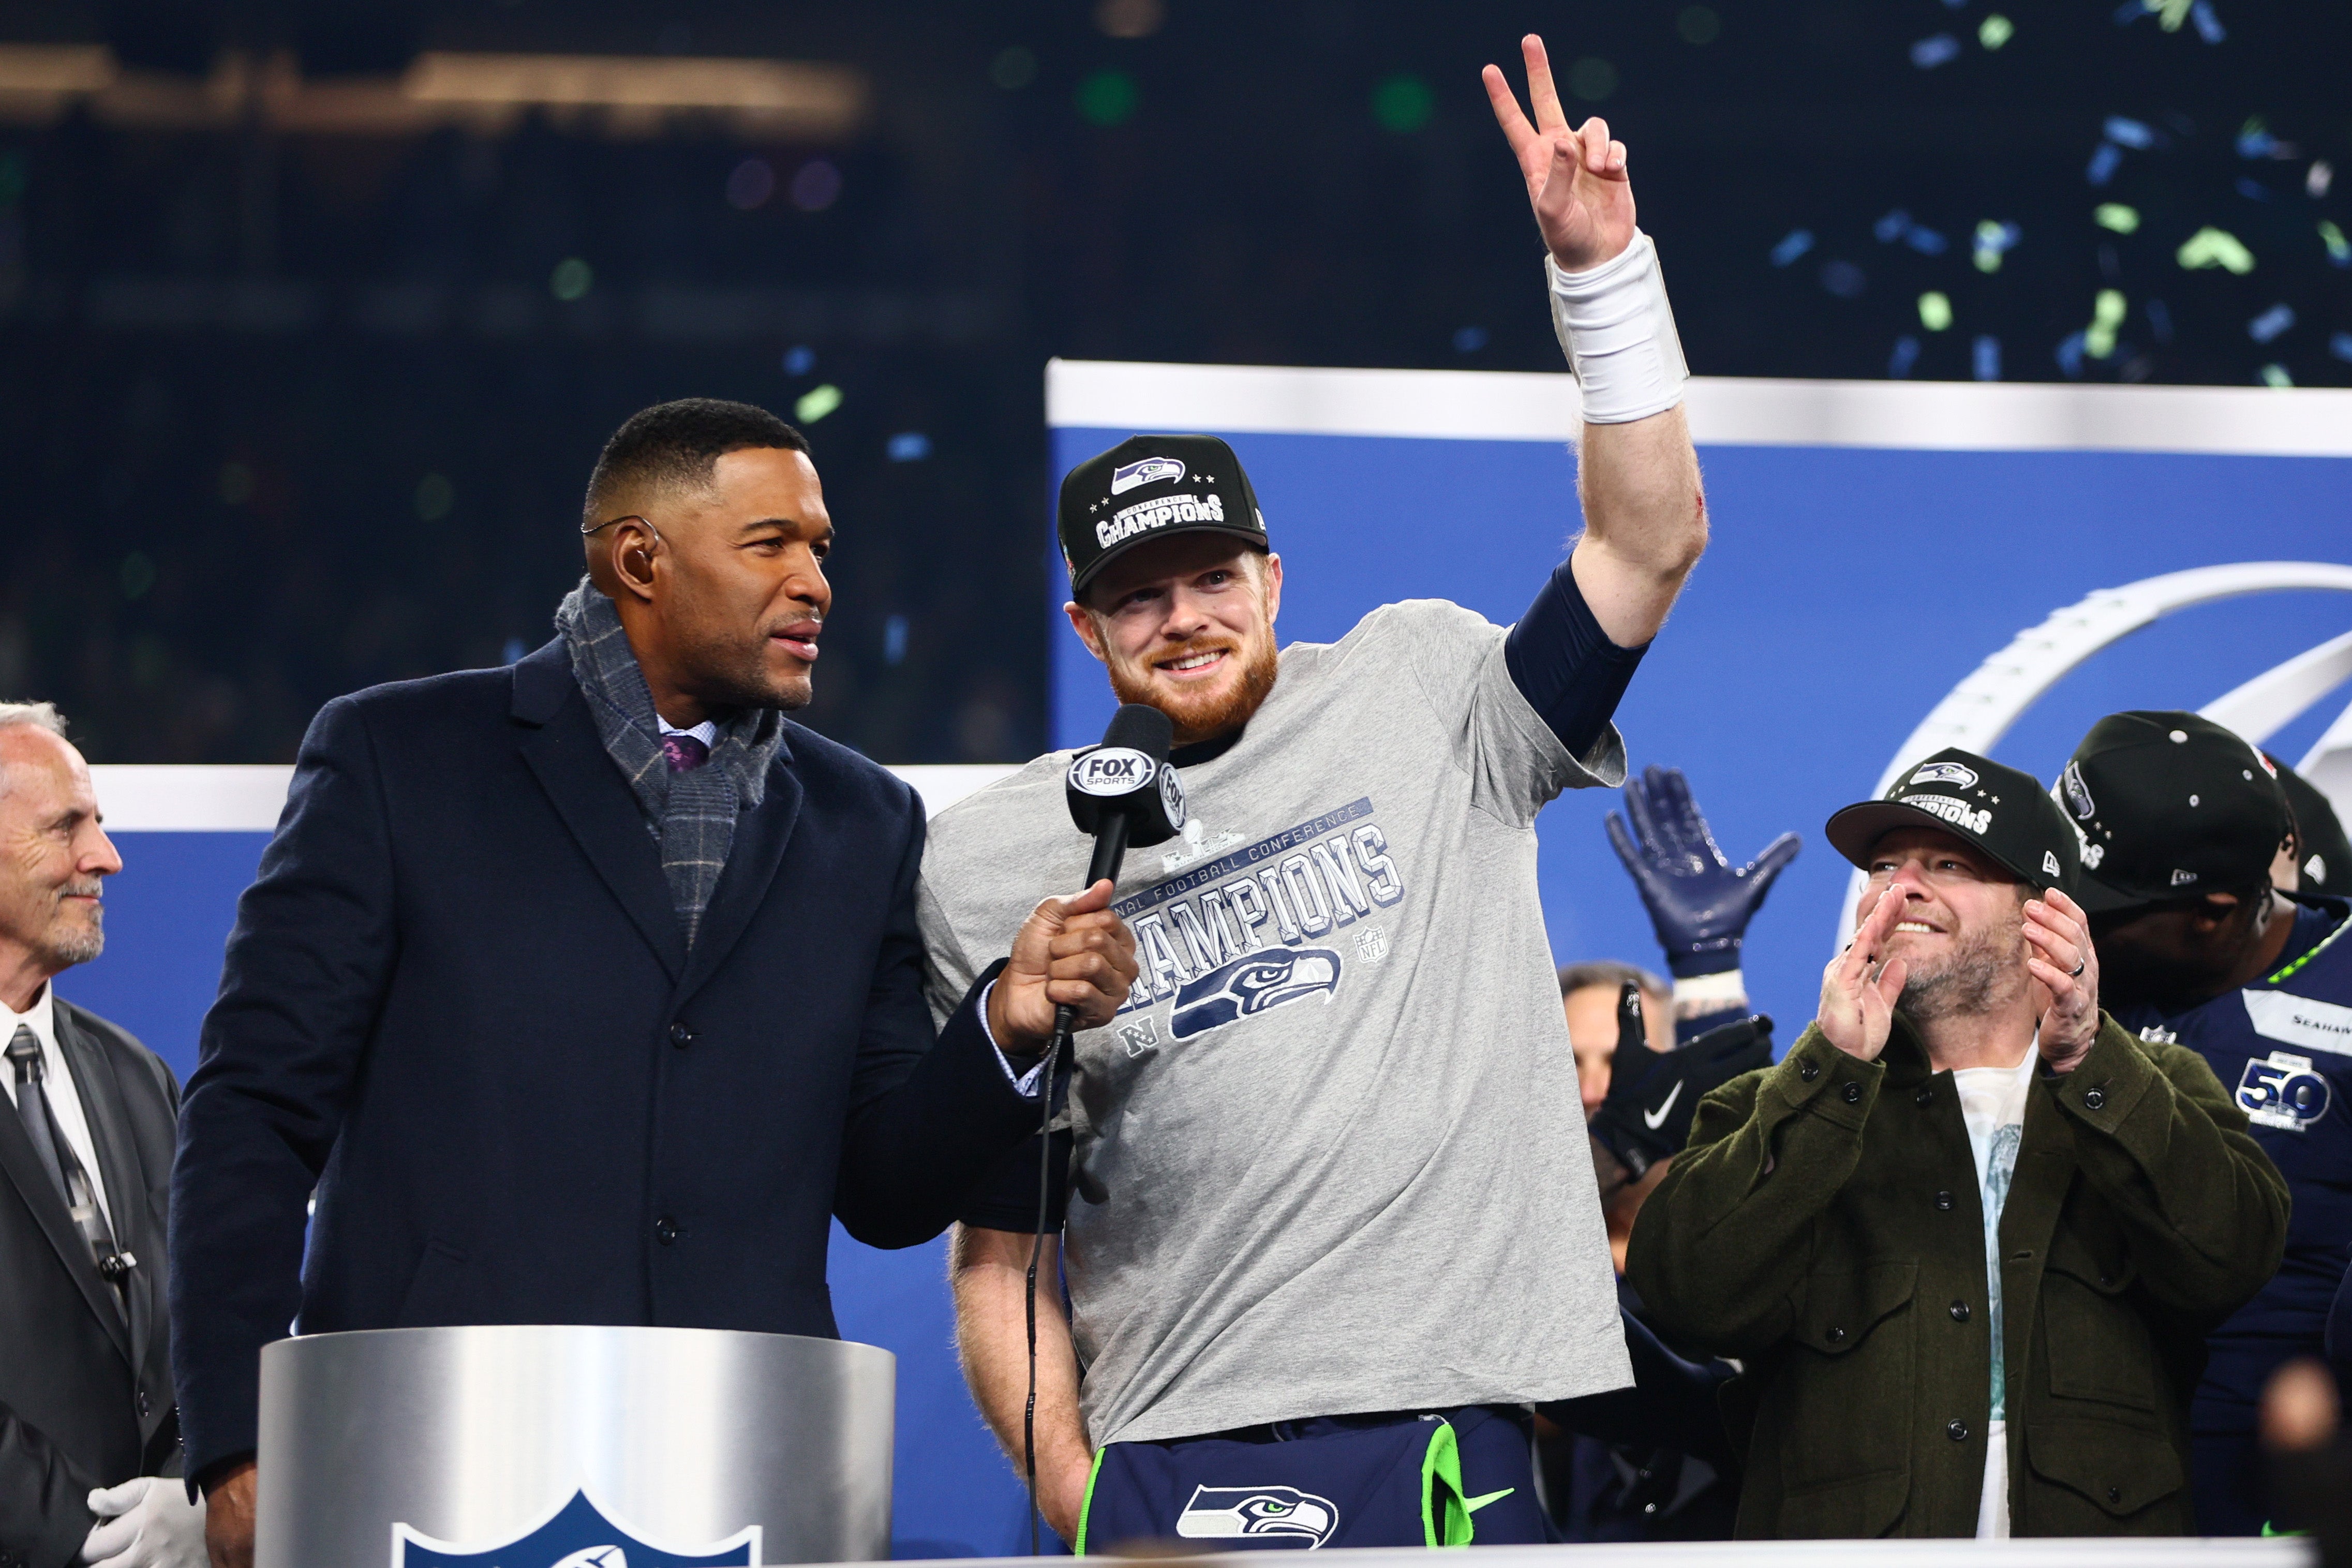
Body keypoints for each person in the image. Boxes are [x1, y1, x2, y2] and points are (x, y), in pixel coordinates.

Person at [927, 37, 1705, 1551]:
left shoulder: (1428, 692)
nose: (1187, 617)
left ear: (1275, 580)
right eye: (1137, 598)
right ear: (1084, 629)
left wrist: (1605, 286)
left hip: (1445, 1424)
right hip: (1160, 1454)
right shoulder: (993, 856)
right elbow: (993, 1250)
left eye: (1214, 577)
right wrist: (1073, 1494)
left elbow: (1649, 547)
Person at [169, 400, 1141, 1568]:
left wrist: (1004, 1022)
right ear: (640, 558)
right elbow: (252, 1113)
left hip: (740, 1470)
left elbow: (881, 1188)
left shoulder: (861, 821)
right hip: (433, 1460)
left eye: (819, 549)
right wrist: (233, 1440)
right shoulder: (399, 760)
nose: (815, 583)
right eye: (769, 543)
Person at [1628, 747, 2288, 1538]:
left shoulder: (2160, 1082)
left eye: (1948, 862)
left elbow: (2232, 1261)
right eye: (1883, 865)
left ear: (2044, 913)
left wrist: (2087, 1056)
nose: (1902, 886)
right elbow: (1685, 1296)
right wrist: (1828, 1068)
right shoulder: (1773, 1104)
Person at [2061, 711, 2352, 1534]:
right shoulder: (2048, 977)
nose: (2063, 919)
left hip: (2272, 1488)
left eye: (2102, 905)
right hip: (2063, 1470)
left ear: (2213, 910)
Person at [0, 705, 200, 1568]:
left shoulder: (137, 1075)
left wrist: (195, 1500)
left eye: (100, 824)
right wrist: (93, 1541)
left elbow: (198, 1327)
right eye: (65, 828)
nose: (106, 858)